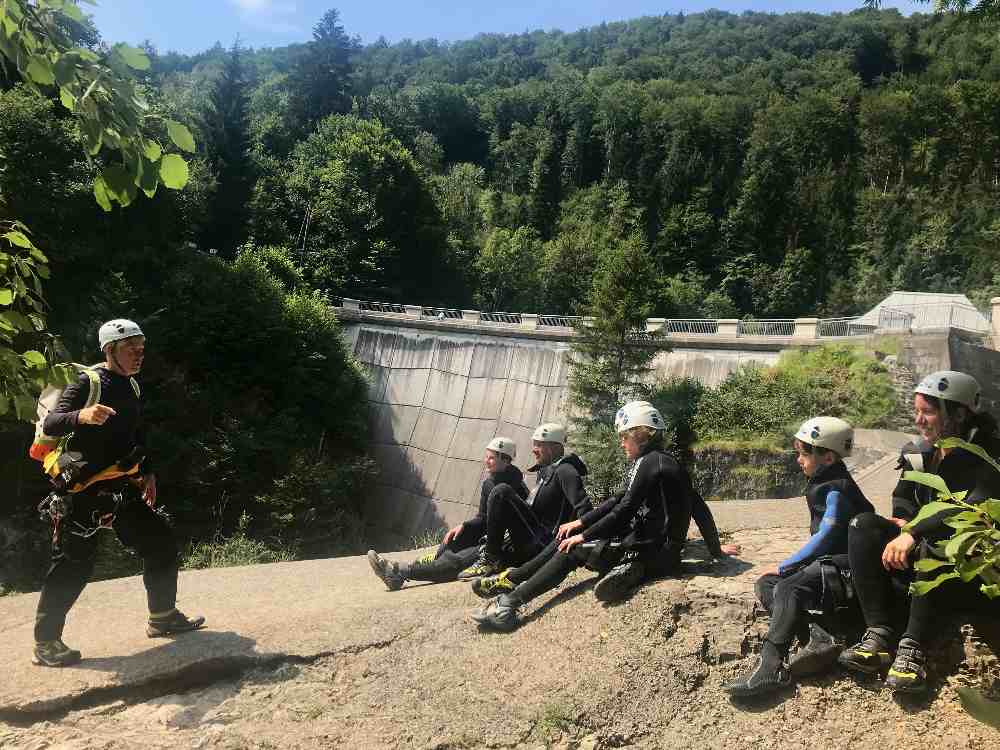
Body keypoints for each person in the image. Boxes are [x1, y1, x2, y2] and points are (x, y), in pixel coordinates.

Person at [32, 319, 204, 667]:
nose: (139, 354)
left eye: (142, 348)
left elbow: (135, 434)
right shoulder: (88, 382)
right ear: (110, 350)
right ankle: (46, 642)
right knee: (73, 567)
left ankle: (162, 617)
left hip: (118, 487)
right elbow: (51, 423)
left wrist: (146, 472)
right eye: (131, 348)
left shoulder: (133, 388)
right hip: (80, 493)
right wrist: (83, 415)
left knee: (160, 543)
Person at [472, 401, 702, 632]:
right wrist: (580, 523)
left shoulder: (649, 463)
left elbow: (623, 512)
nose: (621, 443)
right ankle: (516, 578)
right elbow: (696, 507)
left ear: (640, 435)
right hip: (660, 547)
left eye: (624, 437)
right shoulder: (666, 461)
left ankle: (509, 604)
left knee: (571, 549)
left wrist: (584, 537)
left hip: (654, 551)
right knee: (570, 534)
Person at [838, 370, 1000, 693]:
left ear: (958, 413)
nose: (919, 420)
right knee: (863, 527)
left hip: (968, 567)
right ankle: (880, 635)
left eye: (927, 412)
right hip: (924, 553)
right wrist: (901, 519)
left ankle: (913, 648)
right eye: (917, 412)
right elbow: (903, 495)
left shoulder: (989, 454)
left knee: (934, 537)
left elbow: (971, 506)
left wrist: (914, 532)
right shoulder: (922, 452)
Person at [723, 417, 874, 697]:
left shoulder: (836, 489)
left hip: (847, 569)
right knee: (766, 583)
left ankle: (771, 666)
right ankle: (818, 635)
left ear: (827, 457)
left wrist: (787, 565)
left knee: (787, 584)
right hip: (831, 565)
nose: (798, 460)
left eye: (804, 453)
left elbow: (826, 536)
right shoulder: (825, 480)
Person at [367, 426, 592, 589]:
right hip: (520, 539)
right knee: (460, 559)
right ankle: (399, 573)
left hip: (540, 542)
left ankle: (490, 558)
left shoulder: (565, 471)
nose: (533, 449)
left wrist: (581, 532)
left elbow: (584, 507)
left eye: (538, 445)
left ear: (553, 447)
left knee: (501, 492)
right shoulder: (546, 472)